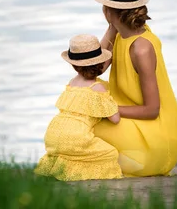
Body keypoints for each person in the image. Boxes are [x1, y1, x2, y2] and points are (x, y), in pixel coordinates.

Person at [92, 0, 177, 177]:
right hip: (137, 123)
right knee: (83, 114)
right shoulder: (122, 34)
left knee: (85, 131)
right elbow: (96, 69)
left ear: (107, 11)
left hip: (158, 135)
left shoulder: (141, 48)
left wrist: (107, 109)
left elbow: (152, 110)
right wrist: (112, 26)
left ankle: (141, 163)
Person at [34, 34, 123, 181]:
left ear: (74, 65)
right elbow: (115, 119)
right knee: (110, 153)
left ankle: (61, 171)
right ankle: (81, 175)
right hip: (76, 136)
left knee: (66, 153)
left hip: (53, 133)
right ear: (100, 64)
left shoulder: (72, 83)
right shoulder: (97, 88)